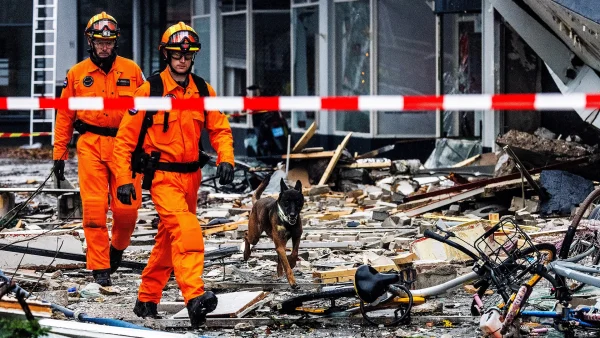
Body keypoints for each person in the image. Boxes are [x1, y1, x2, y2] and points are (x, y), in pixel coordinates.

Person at [113, 22, 235, 328]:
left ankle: (146, 299)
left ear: (193, 56)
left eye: (188, 54)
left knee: (169, 241)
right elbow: (125, 140)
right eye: (176, 54)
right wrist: (125, 179)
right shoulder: (150, 90)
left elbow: (219, 128)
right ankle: (194, 297)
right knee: (187, 230)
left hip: (191, 177)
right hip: (163, 177)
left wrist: (227, 159)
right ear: (166, 55)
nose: (182, 59)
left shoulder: (204, 90)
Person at [53, 12, 144, 287]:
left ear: (115, 42)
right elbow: (64, 115)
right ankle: (100, 266)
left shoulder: (132, 71)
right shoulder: (77, 75)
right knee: (94, 209)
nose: (105, 46)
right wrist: (59, 153)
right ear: (90, 42)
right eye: (99, 41)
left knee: (127, 210)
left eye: (110, 41)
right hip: (90, 144)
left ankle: (117, 247)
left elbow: (146, 113)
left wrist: (147, 149)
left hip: (125, 147)